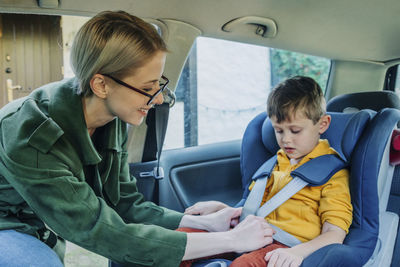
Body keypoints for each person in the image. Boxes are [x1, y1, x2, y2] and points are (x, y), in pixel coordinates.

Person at [0, 11, 275, 267]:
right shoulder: (30, 133)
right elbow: (97, 229)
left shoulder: (113, 117)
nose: (157, 99)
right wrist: (230, 240)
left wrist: (203, 223)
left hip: (39, 221)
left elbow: (124, 203)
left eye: (158, 84)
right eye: (146, 88)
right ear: (101, 85)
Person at [183, 76, 353, 267]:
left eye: (295, 131)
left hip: (284, 246)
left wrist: (298, 253)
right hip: (250, 233)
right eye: (279, 131)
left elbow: (335, 234)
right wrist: (223, 210)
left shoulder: (333, 174)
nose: (286, 140)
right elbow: (256, 209)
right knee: (183, 241)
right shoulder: (275, 163)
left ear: (322, 124)